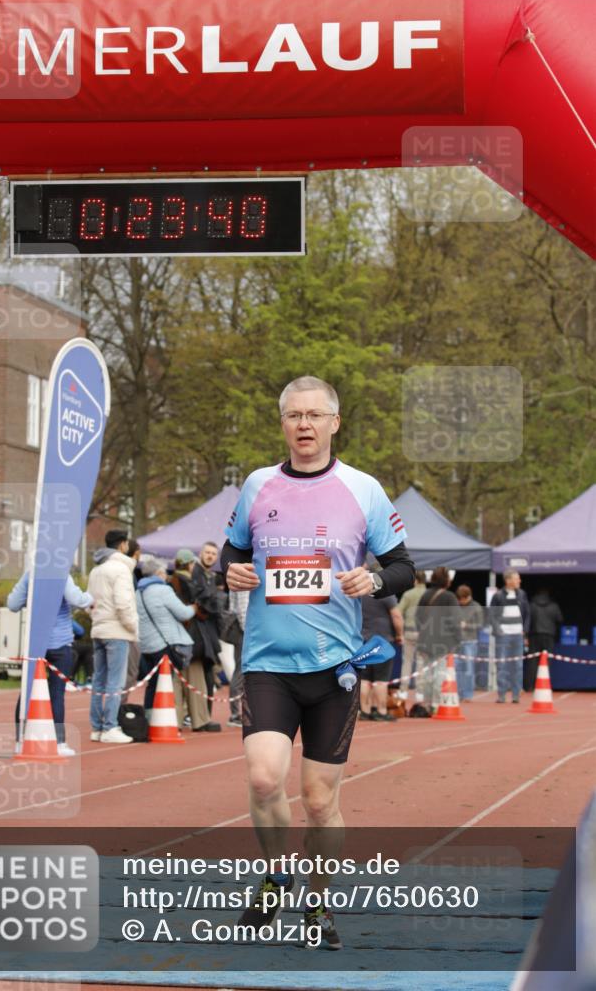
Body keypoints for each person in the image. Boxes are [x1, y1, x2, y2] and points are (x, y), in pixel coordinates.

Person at [220, 375, 414, 949]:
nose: (303, 425)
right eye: (292, 416)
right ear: (282, 423)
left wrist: (373, 578)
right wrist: (229, 569)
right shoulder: (258, 485)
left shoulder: (364, 489)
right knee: (262, 778)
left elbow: (403, 565)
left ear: (334, 423)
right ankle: (275, 875)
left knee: (320, 800)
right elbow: (231, 549)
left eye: (313, 415)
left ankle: (319, 902)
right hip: (267, 664)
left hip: (334, 671)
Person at [8, 573, 93, 755]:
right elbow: (77, 599)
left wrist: (29, 600)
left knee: (27, 691)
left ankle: (20, 740)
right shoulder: (62, 575)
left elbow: (12, 604)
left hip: (35, 643)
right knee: (56, 693)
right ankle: (59, 742)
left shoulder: (29, 575)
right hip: (59, 643)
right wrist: (91, 596)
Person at [136, 556, 209, 728]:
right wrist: (194, 607)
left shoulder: (137, 592)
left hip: (145, 644)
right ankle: (164, 723)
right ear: (159, 573)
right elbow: (183, 613)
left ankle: (149, 719)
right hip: (164, 643)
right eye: (164, 572)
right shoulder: (163, 590)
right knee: (167, 684)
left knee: (152, 685)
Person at [87, 529, 138, 743]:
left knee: (99, 681)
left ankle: (97, 727)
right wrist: (132, 626)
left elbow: (88, 602)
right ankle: (110, 727)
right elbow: (123, 602)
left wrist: (97, 618)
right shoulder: (121, 569)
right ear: (123, 545)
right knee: (115, 682)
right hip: (117, 631)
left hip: (99, 628)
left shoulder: (96, 571)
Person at [169, 549, 222, 732]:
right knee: (195, 678)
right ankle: (200, 719)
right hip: (191, 637)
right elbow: (202, 607)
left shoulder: (172, 581)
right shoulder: (188, 582)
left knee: (176, 681)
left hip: (175, 637)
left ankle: (175, 720)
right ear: (190, 564)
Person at [415, 567, 460, 712]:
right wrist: (458, 638)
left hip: (425, 640)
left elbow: (418, 617)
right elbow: (455, 620)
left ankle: (428, 703)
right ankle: (436, 703)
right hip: (443, 640)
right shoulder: (449, 597)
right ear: (447, 580)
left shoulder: (425, 595)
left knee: (428, 673)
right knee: (440, 673)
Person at [359, 592, 403, 721]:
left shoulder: (360, 594)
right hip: (383, 640)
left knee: (365, 678)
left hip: (364, 639)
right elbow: (397, 616)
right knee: (381, 679)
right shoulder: (386, 594)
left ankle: (365, 711)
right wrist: (400, 635)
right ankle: (381, 711)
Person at [488, 568, 530, 704]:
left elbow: (527, 613)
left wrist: (524, 630)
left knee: (517, 664)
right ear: (508, 580)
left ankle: (516, 694)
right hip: (503, 635)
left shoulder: (522, 594)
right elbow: (492, 615)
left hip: (518, 635)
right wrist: (498, 630)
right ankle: (501, 694)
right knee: (502, 664)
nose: (519, 580)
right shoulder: (498, 596)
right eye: (517, 578)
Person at [191, 541, 223, 709]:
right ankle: (199, 715)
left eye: (213, 553)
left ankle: (205, 714)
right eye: (207, 552)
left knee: (208, 674)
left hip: (209, 633)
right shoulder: (196, 573)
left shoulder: (210, 576)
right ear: (201, 554)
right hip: (198, 634)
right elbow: (205, 603)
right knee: (199, 675)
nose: (210, 556)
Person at [527, 588, 563, 691]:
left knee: (532, 661)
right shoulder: (553, 606)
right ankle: (544, 685)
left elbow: (527, 620)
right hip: (549, 635)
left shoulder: (532, 605)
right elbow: (560, 619)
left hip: (534, 635)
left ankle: (530, 686)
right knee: (546, 661)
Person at [397, 571, 426, 699]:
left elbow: (398, 611)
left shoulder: (408, 594)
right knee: (421, 662)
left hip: (409, 631)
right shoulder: (429, 594)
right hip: (425, 633)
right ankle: (420, 692)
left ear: (416, 580)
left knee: (407, 662)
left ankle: (403, 690)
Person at [454, 585, 483, 701]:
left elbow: (480, 625)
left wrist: (467, 626)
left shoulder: (476, 607)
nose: (460, 601)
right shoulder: (456, 606)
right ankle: (459, 693)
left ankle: (467, 694)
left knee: (469, 669)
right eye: (459, 599)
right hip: (456, 642)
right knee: (457, 669)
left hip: (470, 642)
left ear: (468, 597)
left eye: (462, 599)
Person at [225, 588, 248, 727]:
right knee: (240, 671)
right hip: (244, 631)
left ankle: (238, 712)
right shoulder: (244, 576)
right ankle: (235, 713)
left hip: (242, 629)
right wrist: (250, 632)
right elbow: (242, 610)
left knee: (241, 671)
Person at [124, 539, 143, 692]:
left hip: (117, 626)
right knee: (129, 672)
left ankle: (113, 711)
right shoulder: (128, 571)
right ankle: (118, 710)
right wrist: (131, 625)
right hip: (127, 628)